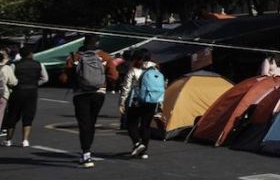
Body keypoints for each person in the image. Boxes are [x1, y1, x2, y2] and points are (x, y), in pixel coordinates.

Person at [59, 36, 119, 167]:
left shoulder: (75, 57)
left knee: (84, 124)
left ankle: (86, 153)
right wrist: (101, 79)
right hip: (99, 93)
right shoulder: (105, 56)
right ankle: (88, 148)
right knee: (92, 122)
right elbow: (114, 76)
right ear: (98, 43)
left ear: (83, 43)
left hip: (81, 94)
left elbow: (64, 78)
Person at [119, 48, 162, 159]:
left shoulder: (134, 70)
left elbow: (126, 87)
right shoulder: (156, 69)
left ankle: (138, 144)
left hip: (136, 101)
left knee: (131, 123)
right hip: (152, 101)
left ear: (138, 58)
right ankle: (144, 152)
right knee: (146, 125)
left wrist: (122, 102)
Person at [3, 47, 48, 148]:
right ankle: (25, 140)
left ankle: (8, 140)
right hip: (32, 92)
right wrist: (36, 84)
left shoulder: (14, 65)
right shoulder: (39, 64)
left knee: (13, 116)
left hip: (17, 92)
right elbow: (45, 78)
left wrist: (13, 86)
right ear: (31, 54)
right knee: (28, 116)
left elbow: (11, 79)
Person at [0, 49, 18, 141]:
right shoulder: (6, 67)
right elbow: (13, 81)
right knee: (2, 112)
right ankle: (2, 128)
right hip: (2, 93)